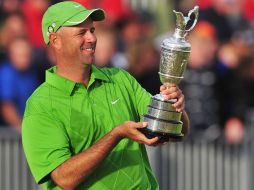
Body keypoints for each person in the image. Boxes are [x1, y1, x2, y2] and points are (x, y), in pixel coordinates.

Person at [22, 2, 189, 190]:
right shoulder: (40, 105)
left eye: (92, 30)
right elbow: (64, 178)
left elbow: (176, 133)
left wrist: (174, 107)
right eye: (81, 33)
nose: (91, 38)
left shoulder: (120, 79)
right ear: (55, 41)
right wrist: (115, 135)